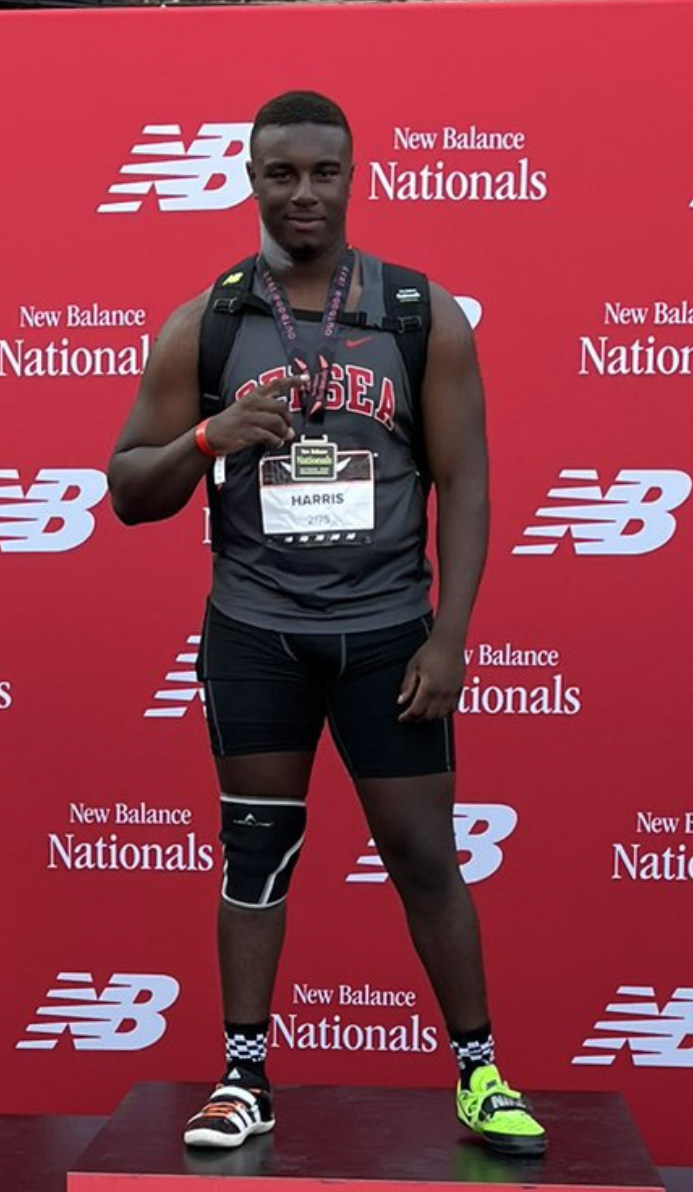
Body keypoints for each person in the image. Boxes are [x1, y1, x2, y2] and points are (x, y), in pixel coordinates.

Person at [108, 91, 546, 1158]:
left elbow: (466, 480)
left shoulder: (416, 312)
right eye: (281, 173)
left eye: (322, 172)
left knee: (424, 854)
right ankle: (243, 1078)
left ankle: (480, 1074)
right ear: (250, 181)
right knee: (255, 851)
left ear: (354, 177)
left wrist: (449, 635)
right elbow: (126, 490)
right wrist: (208, 436)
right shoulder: (208, 323)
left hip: (387, 633)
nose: (302, 192)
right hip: (256, 630)